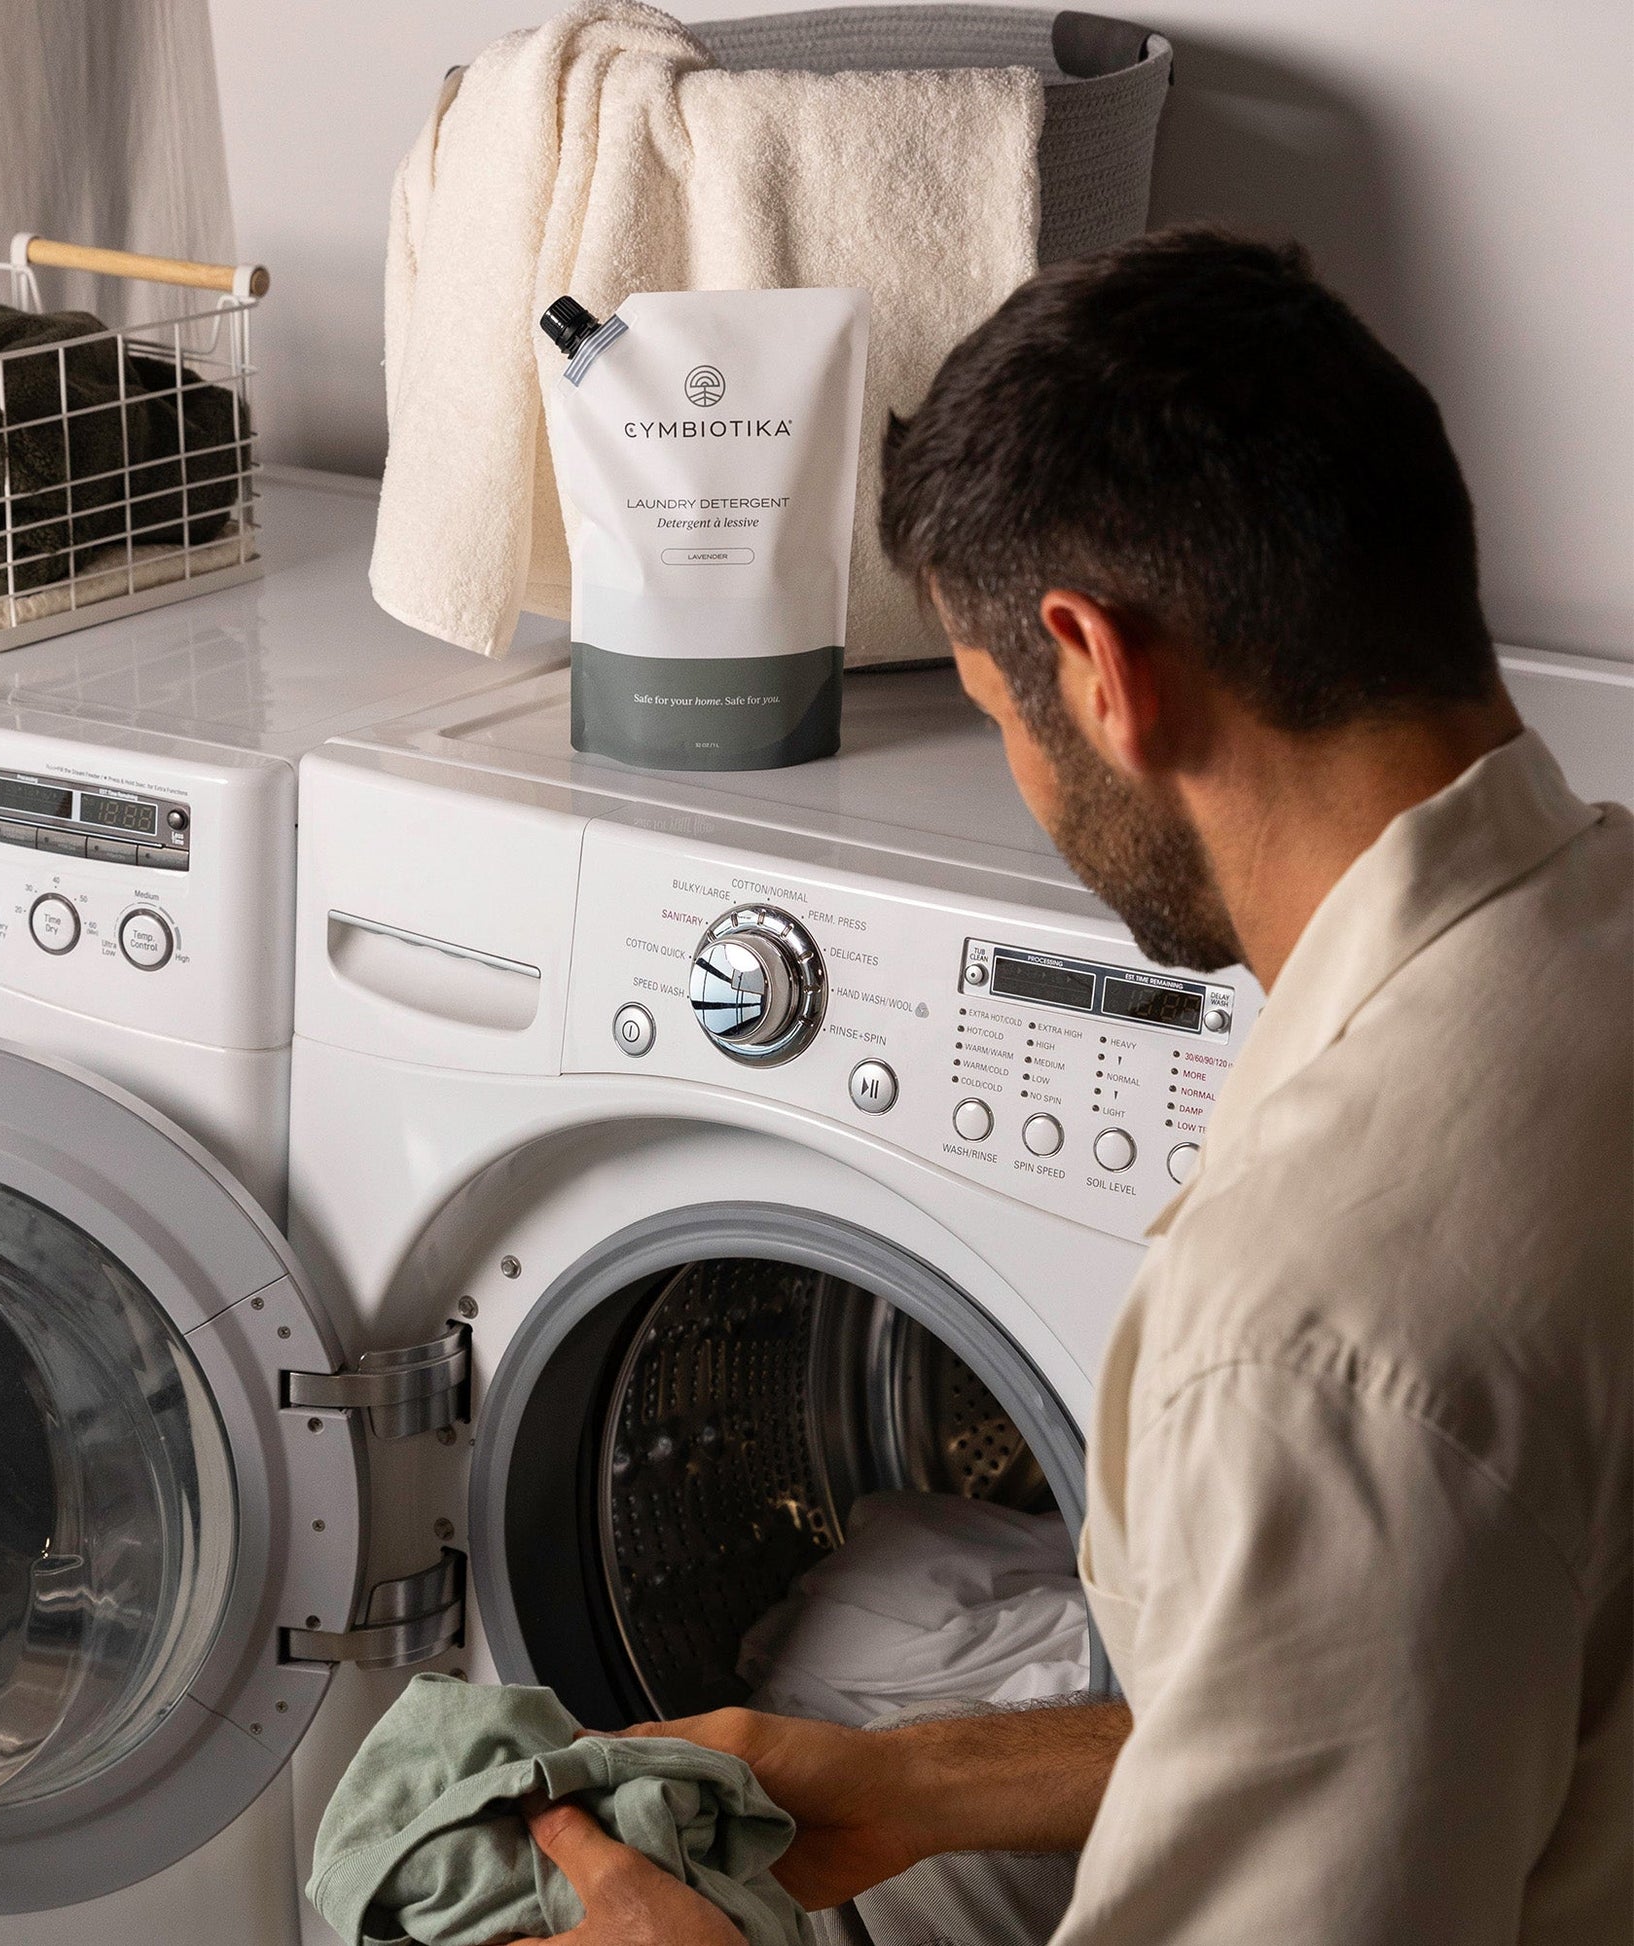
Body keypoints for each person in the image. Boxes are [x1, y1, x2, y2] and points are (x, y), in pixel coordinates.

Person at [504, 228, 1633, 1945]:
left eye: (988, 708)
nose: (1018, 770)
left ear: (1096, 667)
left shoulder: (1318, 1326)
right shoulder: (1579, 937)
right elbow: (1457, 1705)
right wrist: (926, 1781)